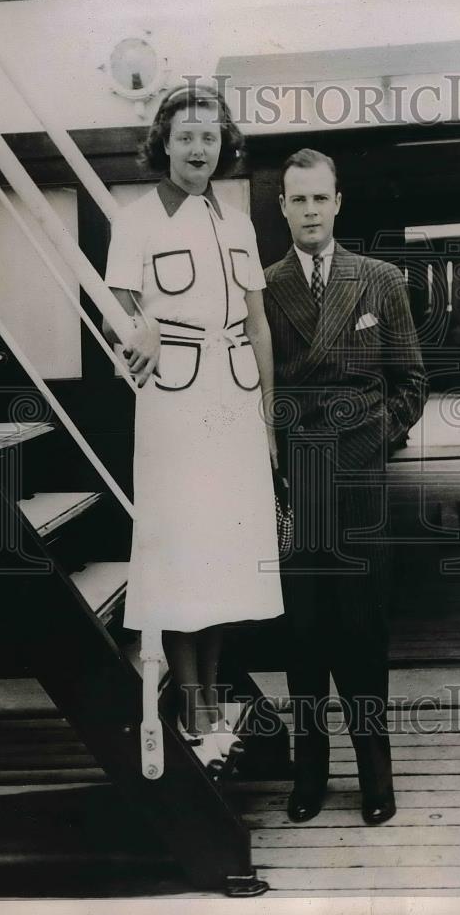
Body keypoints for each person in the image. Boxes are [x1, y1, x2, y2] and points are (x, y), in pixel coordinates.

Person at [102, 83, 284, 769]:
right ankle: (197, 705)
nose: (198, 148)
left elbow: (260, 325)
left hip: (233, 401)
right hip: (175, 400)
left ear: (222, 146)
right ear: (164, 145)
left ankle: (211, 704)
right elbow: (118, 300)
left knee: (223, 553)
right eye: (185, 137)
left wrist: (266, 421)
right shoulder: (136, 218)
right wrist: (140, 322)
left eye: (209, 137)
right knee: (180, 548)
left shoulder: (236, 223)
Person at [264, 148, 427, 824]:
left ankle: (375, 774)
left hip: (359, 473)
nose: (309, 211)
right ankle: (309, 773)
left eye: (319, 198)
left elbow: (412, 381)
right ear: (282, 207)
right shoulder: (262, 285)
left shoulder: (380, 279)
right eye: (296, 199)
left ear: (338, 203)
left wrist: (374, 437)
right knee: (303, 628)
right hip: (294, 470)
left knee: (363, 628)